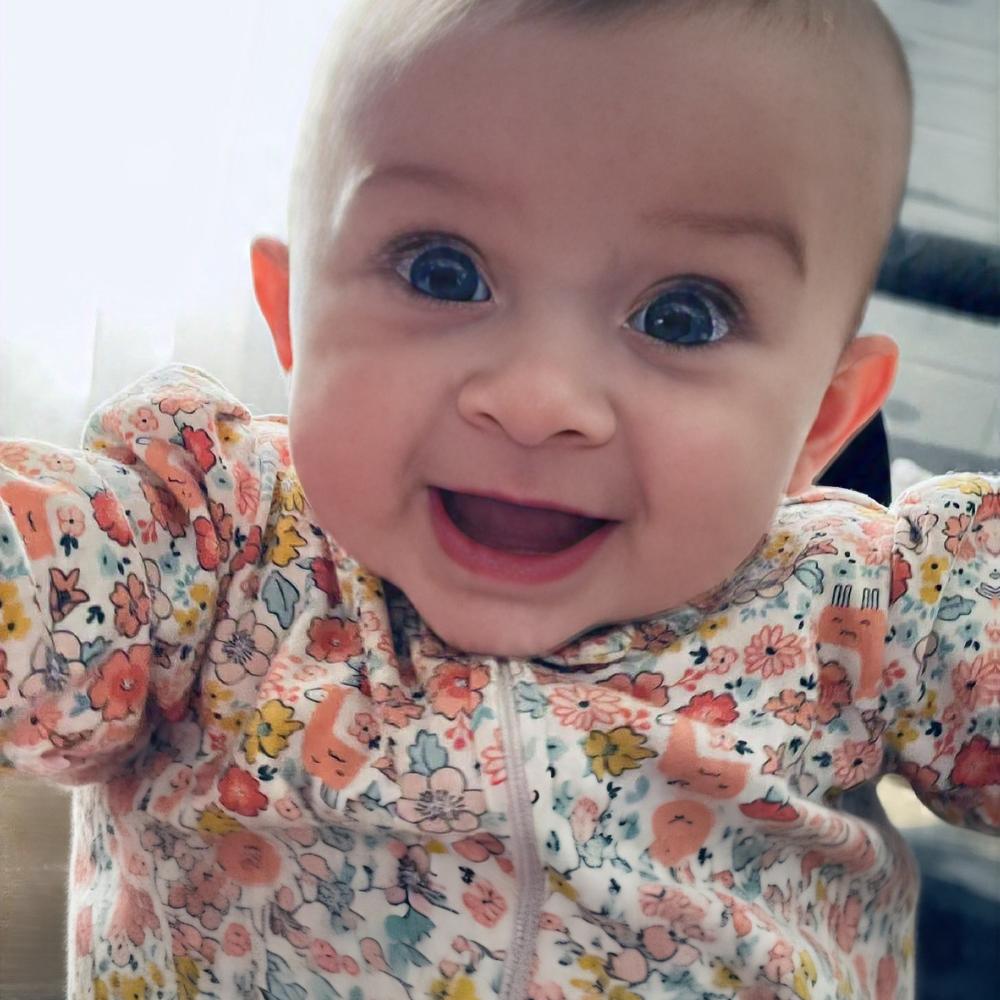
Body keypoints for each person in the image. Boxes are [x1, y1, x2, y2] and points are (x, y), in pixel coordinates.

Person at [0, 1, 996, 997]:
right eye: (442, 273)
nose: (536, 401)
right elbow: (42, 569)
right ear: (290, 315)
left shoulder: (868, 609)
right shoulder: (207, 538)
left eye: (681, 317)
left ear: (822, 419)